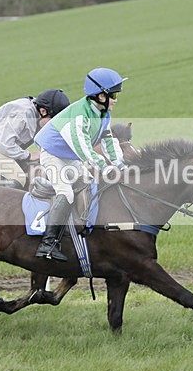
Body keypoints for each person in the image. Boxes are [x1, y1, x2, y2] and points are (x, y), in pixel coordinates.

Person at [33, 67, 128, 261]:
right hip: (52, 155)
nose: (116, 99)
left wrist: (119, 164)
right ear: (101, 96)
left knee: (88, 183)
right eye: (114, 95)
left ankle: (79, 227)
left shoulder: (103, 114)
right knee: (66, 192)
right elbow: (84, 150)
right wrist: (105, 167)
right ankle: (48, 243)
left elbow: (108, 140)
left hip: (69, 156)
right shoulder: (78, 117)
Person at [0, 89, 70, 189]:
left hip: (7, 148)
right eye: (52, 121)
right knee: (18, 178)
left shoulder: (40, 114)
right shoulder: (21, 113)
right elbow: (5, 145)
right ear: (43, 111)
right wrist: (28, 155)